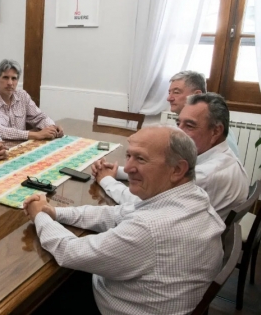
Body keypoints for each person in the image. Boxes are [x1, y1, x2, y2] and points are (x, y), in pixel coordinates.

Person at [24, 125, 225, 314]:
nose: (127, 168)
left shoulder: (149, 228)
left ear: (178, 169)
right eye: (129, 156)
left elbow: (69, 252)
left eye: (141, 159)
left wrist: (40, 216)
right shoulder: (192, 196)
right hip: (148, 296)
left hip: (111, 306)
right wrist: (55, 212)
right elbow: (115, 213)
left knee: (31, 298)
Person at [93, 93, 248, 220]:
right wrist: (118, 171)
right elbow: (160, 174)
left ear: (215, 131)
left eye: (189, 126)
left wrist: (107, 180)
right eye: (178, 123)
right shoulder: (224, 156)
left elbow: (141, 203)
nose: (177, 132)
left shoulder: (206, 174)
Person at [0, 59, 64, 140]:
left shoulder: (22, 96)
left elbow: (39, 117)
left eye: (14, 78)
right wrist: (36, 135)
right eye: (5, 77)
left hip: (20, 147)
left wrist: (52, 127)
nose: (10, 83)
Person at [167, 70, 239, 156]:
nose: (169, 98)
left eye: (176, 92)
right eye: (169, 92)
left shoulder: (219, 133)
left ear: (196, 94)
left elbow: (223, 164)